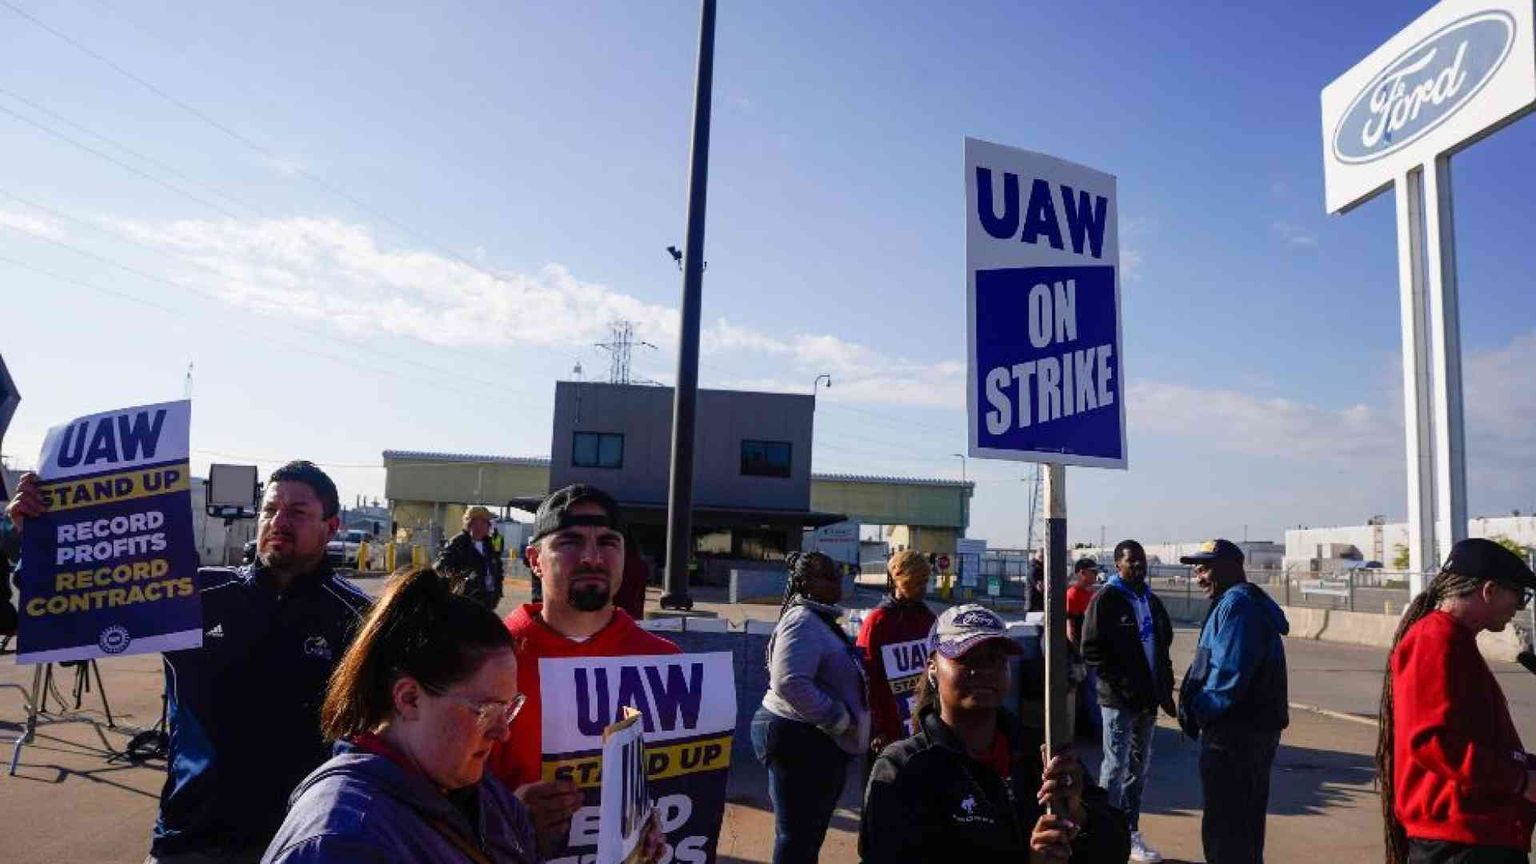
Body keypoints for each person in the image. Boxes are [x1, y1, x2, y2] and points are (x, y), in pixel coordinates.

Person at [8, 460, 372, 863]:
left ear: (332, 527)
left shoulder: (361, 620)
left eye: (298, 512)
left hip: (295, 842)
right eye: (270, 509)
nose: (278, 521)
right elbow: (76, 620)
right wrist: (38, 540)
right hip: (187, 838)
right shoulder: (196, 593)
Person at [261, 566, 538, 862]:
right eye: (486, 711)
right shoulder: (343, 841)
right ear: (409, 699)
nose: (503, 731)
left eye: (508, 707)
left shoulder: (484, 796)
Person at [484, 484, 679, 856]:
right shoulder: (482, 662)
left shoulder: (665, 663)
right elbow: (433, 793)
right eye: (570, 542)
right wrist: (505, 813)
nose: (592, 557)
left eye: (608, 542)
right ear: (534, 558)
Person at [861, 604, 1129, 863]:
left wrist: (1079, 813)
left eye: (996, 659)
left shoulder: (1042, 753)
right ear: (932, 667)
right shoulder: (903, 767)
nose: (985, 670)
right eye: (966, 658)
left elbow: (1115, 849)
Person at [1377, 538, 1536, 864]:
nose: (1518, 607)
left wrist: (1526, 766)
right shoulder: (1434, 639)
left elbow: (1477, 738)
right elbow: (1434, 742)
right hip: (1460, 843)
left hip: (1477, 836)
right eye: (1518, 596)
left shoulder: (1455, 640)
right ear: (1489, 590)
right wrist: (1520, 781)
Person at [751, 550, 869, 864]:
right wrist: (839, 719)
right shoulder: (802, 621)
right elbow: (789, 681)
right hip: (796, 736)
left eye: (838, 573)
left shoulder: (819, 619)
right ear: (805, 583)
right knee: (797, 837)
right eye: (828, 576)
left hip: (810, 737)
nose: (837, 582)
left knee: (807, 835)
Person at [1176, 538, 1289, 864]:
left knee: (1228, 832)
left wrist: (1198, 713)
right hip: (1241, 736)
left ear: (1229, 567)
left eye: (1204, 568)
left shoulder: (1238, 607)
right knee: (1239, 828)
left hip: (1234, 737)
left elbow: (1227, 679)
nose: (1198, 577)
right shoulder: (1235, 602)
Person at [1081, 540, 1176, 863]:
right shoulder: (1106, 599)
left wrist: (1164, 687)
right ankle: (1105, 834)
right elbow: (1091, 649)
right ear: (1117, 564)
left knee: (1139, 766)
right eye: (1131, 561)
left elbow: (1163, 644)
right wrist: (1121, 685)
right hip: (1119, 701)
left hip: (1147, 701)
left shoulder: (1149, 600)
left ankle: (1130, 829)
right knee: (1115, 766)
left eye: (1142, 561)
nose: (1138, 566)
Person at [856, 550, 936, 760]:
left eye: (926, 581)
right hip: (888, 731)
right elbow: (866, 679)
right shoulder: (877, 622)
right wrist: (876, 728)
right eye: (918, 582)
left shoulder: (927, 618)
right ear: (899, 579)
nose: (923, 589)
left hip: (921, 725)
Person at [436, 506, 505, 610]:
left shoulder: (489, 543)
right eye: (487, 522)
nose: (490, 525)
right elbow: (441, 567)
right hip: (466, 603)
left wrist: (497, 591)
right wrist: (464, 579)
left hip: (488, 601)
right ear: (475, 523)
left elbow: (497, 565)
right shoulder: (458, 543)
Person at [1066, 557, 1102, 741]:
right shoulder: (1073, 594)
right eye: (1093, 572)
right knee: (1090, 690)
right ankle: (1094, 729)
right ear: (1082, 573)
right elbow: (1071, 626)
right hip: (1083, 652)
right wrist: (1076, 654)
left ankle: (1091, 727)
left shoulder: (1092, 594)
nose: (1096, 575)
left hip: (1094, 650)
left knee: (1093, 690)